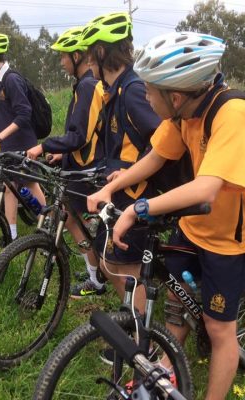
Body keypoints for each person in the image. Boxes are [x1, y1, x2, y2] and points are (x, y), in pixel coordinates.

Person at [88, 31, 245, 400]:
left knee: (219, 329)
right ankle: (165, 376)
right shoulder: (184, 113)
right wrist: (111, 189)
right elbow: (155, 157)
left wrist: (138, 209)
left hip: (228, 241)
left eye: (150, 91)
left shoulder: (232, 113)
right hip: (192, 226)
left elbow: (206, 187)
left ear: (174, 96)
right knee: (177, 311)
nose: (144, 96)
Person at [74, 12, 161, 304]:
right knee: (107, 258)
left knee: (128, 268)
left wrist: (130, 171)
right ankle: (133, 322)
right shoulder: (114, 90)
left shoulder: (133, 90)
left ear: (100, 52)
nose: (87, 63)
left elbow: (163, 142)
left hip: (137, 192)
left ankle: (142, 343)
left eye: (88, 56)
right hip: (120, 188)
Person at [26, 27, 106, 297]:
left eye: (63, 56)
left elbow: (81, 135)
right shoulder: (82, 85)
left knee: (81, 220)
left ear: (77, 54)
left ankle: (98, 278)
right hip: (79, 163)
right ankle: (95, 271)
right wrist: (63, 153)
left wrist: (44, 146)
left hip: (90, 168)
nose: (61, 62)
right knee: (72, 218)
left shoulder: (88, 85)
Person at [0, 32, 46, 240]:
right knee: (9, 187)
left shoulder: (11, 79)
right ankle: (12, 235)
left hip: (23, 143)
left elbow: (24, 114)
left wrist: (0, 136)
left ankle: (51, 222)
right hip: (7, 145)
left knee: (30, 183)